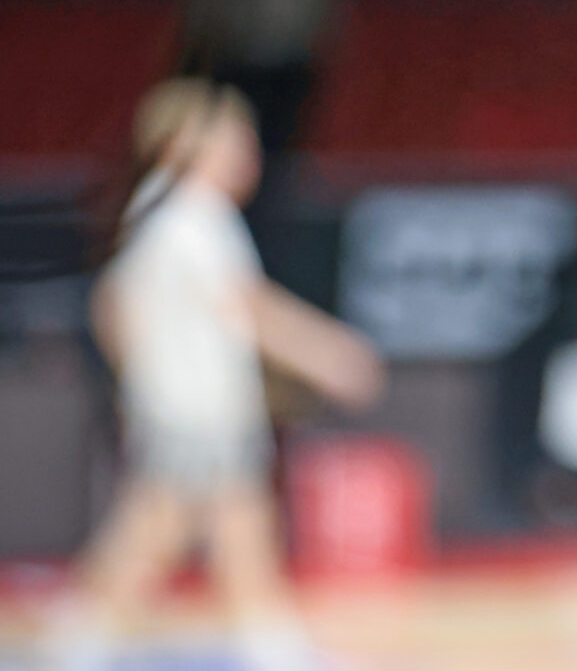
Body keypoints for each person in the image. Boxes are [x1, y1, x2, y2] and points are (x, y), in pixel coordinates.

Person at [47, 80, 384, 671]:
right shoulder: (193, 217)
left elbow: (112, 304)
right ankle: (82, 644)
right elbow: (247, 306)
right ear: (186, 145)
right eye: (233, 143)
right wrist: (329, 352)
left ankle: (260, 642)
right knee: (174, 525)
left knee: (221, 523)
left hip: (188, 406)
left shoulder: (157, 212)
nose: (246, 156)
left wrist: (140, 377)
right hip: (196, 410)